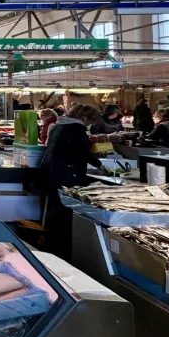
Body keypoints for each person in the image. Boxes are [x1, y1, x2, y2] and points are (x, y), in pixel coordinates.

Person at [38, 104, 103, 259]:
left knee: (53, 207)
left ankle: (49, 241)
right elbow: (83, 152)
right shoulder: (76, 129)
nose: (90, 125)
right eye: (90, 121)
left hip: (50, 171)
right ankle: (62, 246)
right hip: (65, 173)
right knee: (64, 210)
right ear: (84, 117)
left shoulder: (59, 125)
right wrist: (100, 165)